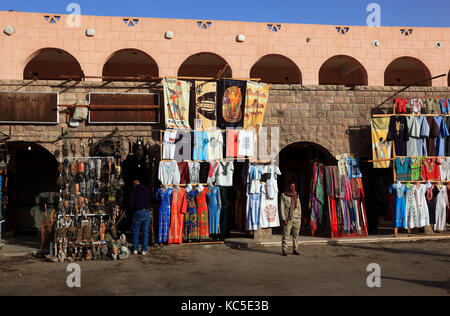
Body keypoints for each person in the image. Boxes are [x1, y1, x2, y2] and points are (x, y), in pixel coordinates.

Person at [129, 179, 155, 255]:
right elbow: (153, 199)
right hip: (147, 212)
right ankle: (144, 250)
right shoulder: (148, 190)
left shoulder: (134, 190)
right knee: (145, 231)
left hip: (137, 212)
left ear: (134, 184)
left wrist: (132, 210)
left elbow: (131, 202)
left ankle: (135, 249)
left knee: (135, 231)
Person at [280, 182, 302, 256]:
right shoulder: (284, 195)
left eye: (293, 186)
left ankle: (295, 249)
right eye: (290, 186)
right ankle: (284, 249)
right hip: (288, 218)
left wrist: (299, 217)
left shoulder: (296, 195)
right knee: (286, 235)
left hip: (296, 218)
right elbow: (282, 207)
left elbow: (299, 206)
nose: (292, 188)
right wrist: (283, 218)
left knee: (296, 235)